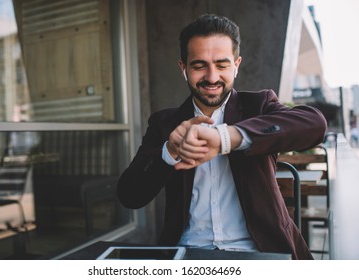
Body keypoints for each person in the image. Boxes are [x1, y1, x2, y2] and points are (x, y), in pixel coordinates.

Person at [117, 14, 327, 260]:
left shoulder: (259, 105)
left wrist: (228, 137)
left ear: (236, 65)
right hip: (188, 253)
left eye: (222, 64)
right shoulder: (164, 123)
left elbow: (315, 124)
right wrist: (168, 152)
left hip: (260, 252)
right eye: (199, 66)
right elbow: (129, 196)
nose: (212, 76)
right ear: (183, 68)